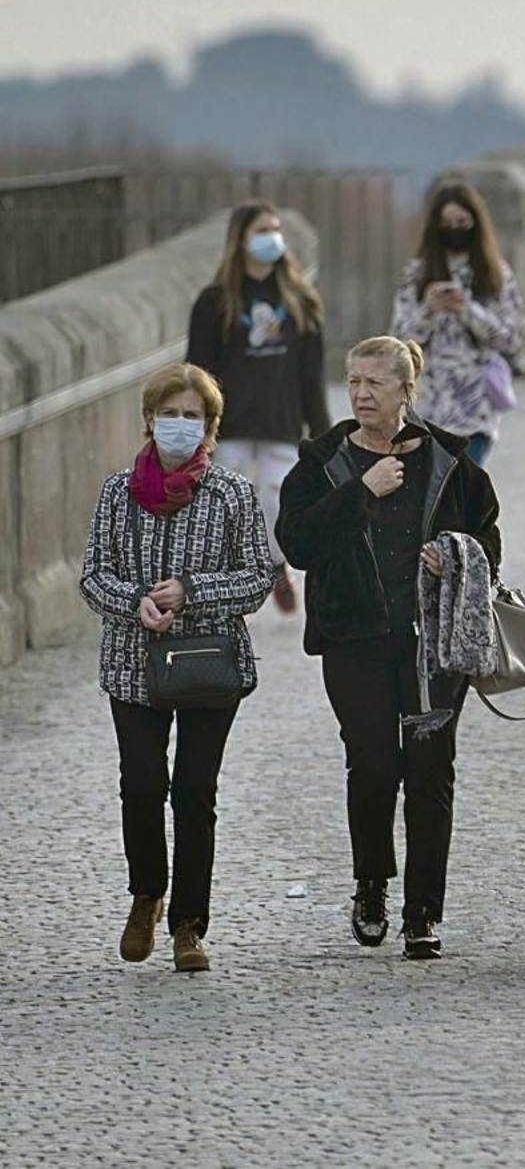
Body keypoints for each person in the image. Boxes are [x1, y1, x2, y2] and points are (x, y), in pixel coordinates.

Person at [276, 335, 501, 961]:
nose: (360, 393)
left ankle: (424, 912)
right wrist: (361, 491)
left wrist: (454, 555)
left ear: (407, 390)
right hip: (354, 640)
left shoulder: (451, 461)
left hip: (432, 646)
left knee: (430, 773)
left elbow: (488, 539)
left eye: (375, 382)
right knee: (374, 766)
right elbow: (296, 542)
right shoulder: (321, 462)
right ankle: (371, 882)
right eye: (352, 381)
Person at [79, 362, 276, 973]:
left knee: (195, 793)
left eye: (192, 416)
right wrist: (133, 602)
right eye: (171, 414)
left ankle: (190, 922)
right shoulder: (117, 493)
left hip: (207, 667)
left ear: (210, 428)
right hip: (133, 663)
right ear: (148, 419)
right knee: (141, 785)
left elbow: (257, 578)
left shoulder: (233, 494)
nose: (179, 426)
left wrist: (192, 592)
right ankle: (147, 896)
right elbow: (93, 576)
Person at [186, 200, 331, 613]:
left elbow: (312, 377)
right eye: (261, 230)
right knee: (228, 508)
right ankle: (234, 590)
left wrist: (323, 437)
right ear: (240, 240)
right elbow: (197, 370)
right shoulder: (214, 302)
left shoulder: (301, 301)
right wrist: (198, 430)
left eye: (275, 229)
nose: (272, 238)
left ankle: (274, 565)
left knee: (275, 501)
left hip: (281, 422)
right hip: (229, 425)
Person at [392, 180, 525, 466]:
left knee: (464, 493)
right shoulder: (417, 274)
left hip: (474, 405)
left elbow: (511, 338)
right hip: (426, 404)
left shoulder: (495, 274)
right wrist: (427, 310)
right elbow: (397, 342)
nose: (454, 229)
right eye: (448, 223)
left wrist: (467, 310)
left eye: (462, 222)